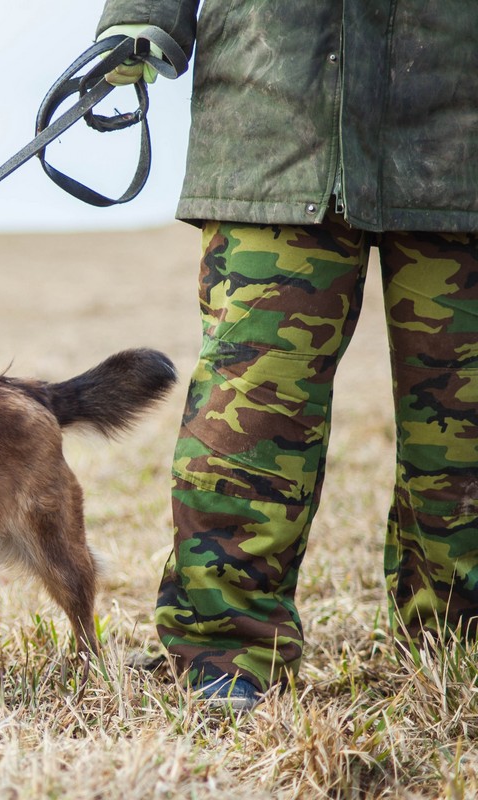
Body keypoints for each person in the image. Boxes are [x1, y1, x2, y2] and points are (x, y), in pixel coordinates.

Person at [93, 1, 478, 711]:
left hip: (460, 121)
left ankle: (457, 646)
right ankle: (222, 649)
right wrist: (140, 18)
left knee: (466, 432)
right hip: (273, 121)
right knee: (249, 423)